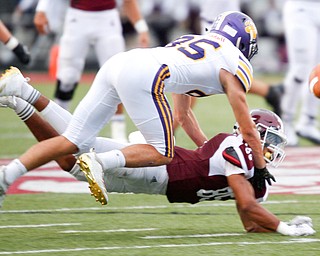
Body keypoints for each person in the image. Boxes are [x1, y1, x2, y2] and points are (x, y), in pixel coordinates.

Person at [0, 11, 270, 208]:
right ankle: (100, 162)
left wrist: (206, 150)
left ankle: (5, 176)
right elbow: (246, 125)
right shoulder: (235, 61)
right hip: (147, 75)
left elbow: (183, 115)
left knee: (72, 141)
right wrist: (259, 167)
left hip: (122, 62)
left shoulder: (195, 42)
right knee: (163, 152)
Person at [0, 95, 316, 236]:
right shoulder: (239, 150)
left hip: (156, 183)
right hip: (158, 169)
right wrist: (287, 228)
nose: (273, 148)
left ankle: (21, 103)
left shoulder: (253, 174)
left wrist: (275, 225)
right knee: (77, 144)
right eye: (270, 139)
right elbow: (245, 203)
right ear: (254, 134)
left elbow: (249, 221)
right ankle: (25, 93)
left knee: (71, 160)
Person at [33, 0, 150, 142]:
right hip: (77, 17)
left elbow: (128, 1)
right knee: (67, 77)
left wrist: (141, 27)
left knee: (117, 75)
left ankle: (118, 132)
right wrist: (42, 9)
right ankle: (58, 127)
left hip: (108, 20)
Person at [173, 0, 284, 138]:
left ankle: (170, 130)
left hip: (223, 28)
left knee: (197, 78)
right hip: (216, 24)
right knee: (206, 77)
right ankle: (269, 92)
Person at [281, 0, 320, 146]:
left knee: (318, 71)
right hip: (301, 7)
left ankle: (308, 121)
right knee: (301, 69)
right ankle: (285, 122)